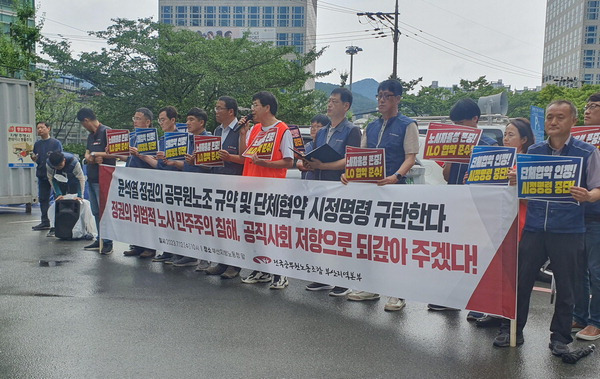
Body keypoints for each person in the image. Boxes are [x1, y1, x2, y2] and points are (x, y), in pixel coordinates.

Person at [494, 100, 600, 357]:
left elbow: (598, 188)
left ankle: (560, 338)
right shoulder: (534, 150)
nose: (553, 122)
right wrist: (515, 180)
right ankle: (513, 330)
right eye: (550, 117)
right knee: (521, 281)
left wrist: (588, 196)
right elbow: (523, 191)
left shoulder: (587, 152)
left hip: (569, 228)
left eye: (560, 117)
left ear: (573, 121)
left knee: (567, 286)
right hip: (534, 226)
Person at [340, 79, 419, 312]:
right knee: (371, 242)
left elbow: (410, 157)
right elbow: (361, 156)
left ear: (398, 98)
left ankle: (397, 293)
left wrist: (396, 175)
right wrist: (349, 174)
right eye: (379, 96)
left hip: (395, 191)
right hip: (371, 192)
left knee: (395, 243)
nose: (382, 100)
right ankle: (370, 287)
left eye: (387, 95)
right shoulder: (372, 127)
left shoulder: (407, 125)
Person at [430, 98, 498, 318]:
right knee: (454, 254)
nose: (457, 127)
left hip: (479, 209)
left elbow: (493, 181)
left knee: (479, 256)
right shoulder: (454, 144)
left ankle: (481, 304)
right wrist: (452, 156)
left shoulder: (489, 145)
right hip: (456, 204)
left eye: (461, 122)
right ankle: (452, 299)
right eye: (454, 123)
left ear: (475, 120)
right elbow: (447, 176)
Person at [300, 88, 361, 297]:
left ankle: (342, 279)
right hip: (318, 188)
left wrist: (325, 166)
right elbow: (316, 154)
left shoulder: (352, 131)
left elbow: (350, 160)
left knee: (339, 236)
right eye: (329, 101)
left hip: (338, 188)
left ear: (346, 106)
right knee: (320, 234)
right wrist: (310, 164)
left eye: (334, 102)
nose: (329, 105)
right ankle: (322, 276)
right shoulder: (323, 130)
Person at [475, 118, 534, 328]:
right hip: (496, 218)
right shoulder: (497, 159)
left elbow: (533, 196)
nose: (506, 139)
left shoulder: (529, 162)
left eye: (511, 135)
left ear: (524, 139)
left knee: (513, 270)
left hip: (519, 219)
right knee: (497, 267)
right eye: (505, 135)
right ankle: (495, 311)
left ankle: (509, 318)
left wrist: (518, 184)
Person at [240, 91, 294, 289]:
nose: (252, 109)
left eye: (255, 105)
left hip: (272, 189)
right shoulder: (254, 129)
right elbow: (244, 155)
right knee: (255, 232)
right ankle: (260, 269)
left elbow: (289, 161)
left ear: (267, 108)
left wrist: (265, 163)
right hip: (251, 187)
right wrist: (243, 132)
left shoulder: (282, 129)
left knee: (273, 233)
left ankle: (280, 273)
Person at [162, 107, 212, 268]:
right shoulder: (188, 140)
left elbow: (210, 166)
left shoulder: (208, 139)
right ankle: (189, 255)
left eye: (191, 120)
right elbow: (187, 164)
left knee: (203, 224)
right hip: (187, 185)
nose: (188, 123)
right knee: (190, 223)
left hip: (203, 187)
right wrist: (173, 162)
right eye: (187, 120)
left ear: (201, 122)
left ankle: (205, 258)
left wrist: (194, 162)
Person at [203, 96, 246, 279]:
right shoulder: (217, 130)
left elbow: (245, 158)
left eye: (220, 108)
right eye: (215, 108)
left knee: (233, 226)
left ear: (231, 111)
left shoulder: (242, 130)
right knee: (219, 225)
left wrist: (229, 158)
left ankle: (234, 265)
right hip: (216, 182)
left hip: (234, 183)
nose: (216, 111)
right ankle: (222, 261)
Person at [572, 93, 600, 341]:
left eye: (594, 106)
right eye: (587, 106)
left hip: (596, 216)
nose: (588, 110)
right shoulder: (578, 141)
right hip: (576, 214)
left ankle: (596, 321)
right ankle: (579, 315)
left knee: (596, 271)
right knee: (578, 270)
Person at [123, 107, 159, 259]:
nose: (135, 122)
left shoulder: (151, 138)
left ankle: (149, 247)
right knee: (135, 214)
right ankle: (137, 245)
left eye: (138, 119)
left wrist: (140, 154)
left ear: (148, 122)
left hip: (145, 180)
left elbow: (154, 161)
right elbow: (129, 157)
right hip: (131, 179)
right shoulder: (133, 137)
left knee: (146, 216)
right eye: (134, 118)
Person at [79, 108, 117, 255]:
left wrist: (97, 155)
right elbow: (88, 152)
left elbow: (115, 153)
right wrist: (90, 156)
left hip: (105, 178)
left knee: (104, 211)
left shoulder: (107, 132)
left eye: (83, 124)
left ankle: (108, 242)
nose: (84, 127)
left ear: (86, 121)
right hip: (92, 176)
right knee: (96, 211)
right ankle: (100, 238)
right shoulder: (91, 136)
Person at [31, 122, 62, 231]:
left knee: (57, 197)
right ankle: (45, 221)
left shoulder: (55, 143)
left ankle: (57, 222)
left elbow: (59, 158)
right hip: (41, 174)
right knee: (43, 199)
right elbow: (36, 158)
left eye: (42, 127)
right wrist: (34, 159)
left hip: (54, 176)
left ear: (48, 128)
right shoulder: (37, 144)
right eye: (38, 128)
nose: (40, 130)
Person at [298, 114, 329, 180]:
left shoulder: (327, 146)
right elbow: (299, 164)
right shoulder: (307, 146)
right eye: (312, 126)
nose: (314, 129)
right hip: (305, 185)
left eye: (318, 126)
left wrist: (317, 167)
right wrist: (315, 166)